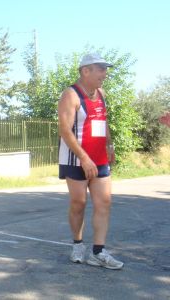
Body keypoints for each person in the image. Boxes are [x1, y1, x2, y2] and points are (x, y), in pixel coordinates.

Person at [57, 53, 124, 270]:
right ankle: (77, 245)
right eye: (101, 69)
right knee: (79, 203)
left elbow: (103, 122)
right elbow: (64, 130)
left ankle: (99, 252)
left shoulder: (101, 93)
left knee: (104, 202)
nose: (105, 74)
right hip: (75, 159)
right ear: (86, 71)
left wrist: (109, 145)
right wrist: (84, 158)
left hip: (100, 158)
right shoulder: (71, 95)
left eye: (105, 69)